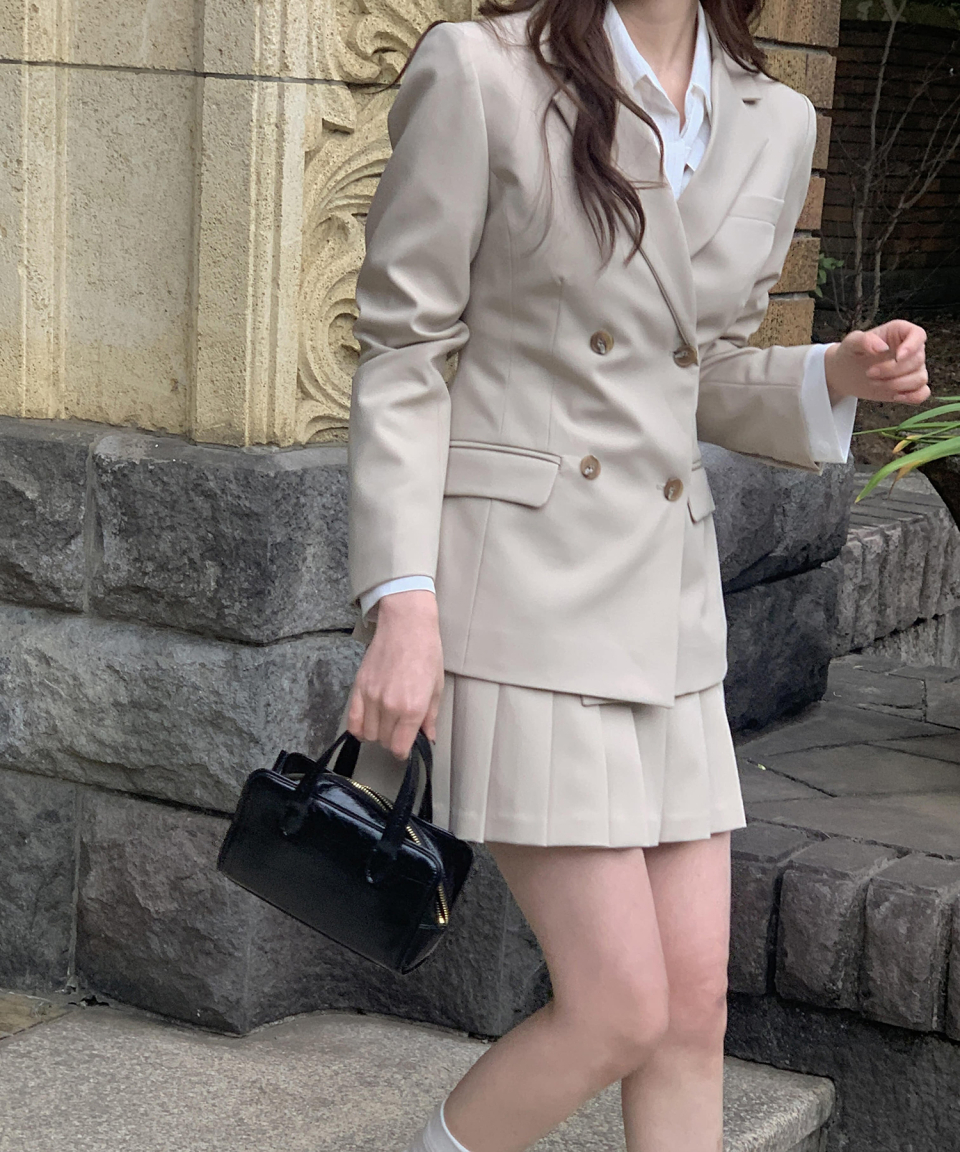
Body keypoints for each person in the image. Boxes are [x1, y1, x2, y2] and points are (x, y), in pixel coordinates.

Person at [343, 0, 929, 1148]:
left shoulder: (774, 119)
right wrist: (401, 599)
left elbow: (696, 370)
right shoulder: (483, 72)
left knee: (692, 1014)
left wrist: (832, 376)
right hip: (521, 590)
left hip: (667, 606)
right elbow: (405, 352)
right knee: (616, 1009)